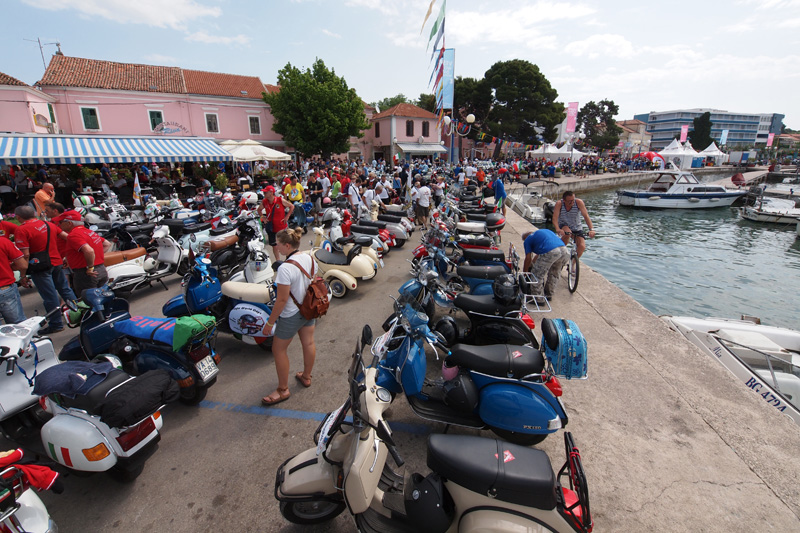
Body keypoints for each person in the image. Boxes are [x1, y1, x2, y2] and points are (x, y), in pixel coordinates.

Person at [260, 228, 317, 406]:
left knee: (278, 350)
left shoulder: (285, 268)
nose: (275, 246)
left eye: (277, 243)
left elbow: (282, 299)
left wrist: (270, 322)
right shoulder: (309, 258)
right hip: (309, 308)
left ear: (287, 245)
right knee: (308, 343)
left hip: (291, 313)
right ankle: (306, 376)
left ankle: (283, 389)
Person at [13, 206, 76, 333]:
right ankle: (79, 314)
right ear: (34, 214)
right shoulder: (48, 224)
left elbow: (25, 255)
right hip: (56, 262)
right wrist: (67, 256)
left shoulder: (22, 230)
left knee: (50, 296)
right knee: (65, 290)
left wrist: (23, 275)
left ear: (18, 217)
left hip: (39, 267)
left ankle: (56, 324)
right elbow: (68, 237)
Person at [52, 210, 108, 295]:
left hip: (86, 273)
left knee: (88, 301)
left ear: (69, 223)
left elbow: (89, 250)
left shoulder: (74, 235)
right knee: (103, 298)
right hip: (101, 269)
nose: (59, 225)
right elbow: (106, 244)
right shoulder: (89, 231)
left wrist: (90, 267)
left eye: (60, 222)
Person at [522, 229, 570, 300]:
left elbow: (528, 258)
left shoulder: (527, 239)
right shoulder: (543, 234)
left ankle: (538, 298)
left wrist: (525, 272)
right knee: (554, 274)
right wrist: (533, 264)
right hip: (564, 251)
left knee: (536, 275)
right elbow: (539, 256)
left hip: (552, 252)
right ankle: (548, 294)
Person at [552, 190, 595, 259]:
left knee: (582, 246)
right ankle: (560, 250)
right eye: (570, 201)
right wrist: (557, 229)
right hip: (564, 225)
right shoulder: (559, 204)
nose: (572, 202)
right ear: (564, 200)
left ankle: (573, 264)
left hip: (576, 227)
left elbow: (586, 216)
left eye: (573, 200)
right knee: (567, 233)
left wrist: (591, 229)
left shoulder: (578, 202)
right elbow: (555, 218)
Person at [257, 186, 294, 262]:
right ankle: (278, 261)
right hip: (272, 228)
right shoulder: (264, 202)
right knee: (274, 246)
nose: (264, 193)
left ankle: (288, 259)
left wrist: (287, 216)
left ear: (271, 193)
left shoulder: (280, 200)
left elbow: (291, 206)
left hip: (281, 227)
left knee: (286, 244)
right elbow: (259, 210)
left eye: (265, 192)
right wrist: (263, 218)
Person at [0, 235, 28, 324]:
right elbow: (23, 265)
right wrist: (8, 267)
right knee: (18, 326)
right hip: (5, 289)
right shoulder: (3, 242)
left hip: (5, 289)